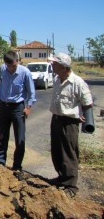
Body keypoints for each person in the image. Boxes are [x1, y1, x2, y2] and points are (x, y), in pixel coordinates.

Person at [48, 53, 93, 198]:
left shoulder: (77, 82)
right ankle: (61, 177)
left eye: (54, 64)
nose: (52, 65)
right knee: (56, 151)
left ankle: (71, 185)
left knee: (69, 152)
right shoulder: (56, 79)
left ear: (62, 66)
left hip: (69, 122)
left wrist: (86, 121)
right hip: (56, 119)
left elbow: (87, 103)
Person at [0, 50, 36, 171]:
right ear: (5, 64)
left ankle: (17, 165)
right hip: (4, 106)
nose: (11, 68)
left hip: (18, 108)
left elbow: (31, 92)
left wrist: (28, 107)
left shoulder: (25, 73)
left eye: (14, 65)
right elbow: (1, 85)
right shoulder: (2, 69)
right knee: (3, 136)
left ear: (17, 61)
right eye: (9, 66)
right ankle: (0, 162)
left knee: (20, 138)